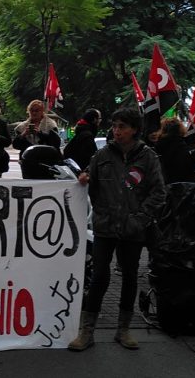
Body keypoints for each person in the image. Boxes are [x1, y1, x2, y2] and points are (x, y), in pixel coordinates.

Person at [71, 107, 166, 352]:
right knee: (100, 276)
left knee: (130, 277)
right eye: (114, 126)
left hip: (133, 230)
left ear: (134, 129)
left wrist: (139, 218)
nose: (116, 131)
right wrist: (84, 178)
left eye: (122, 126)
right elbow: (90, 183)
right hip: (105, 227)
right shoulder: (102, 154)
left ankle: (123, 329)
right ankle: (87, 331)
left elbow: (158, 193)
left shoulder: (148, 157)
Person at [152, 117, 195, 183]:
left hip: (165, 186)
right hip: (183, 186)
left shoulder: (158, 145)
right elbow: (188, 165)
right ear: (179, 129)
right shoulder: (179, 144)